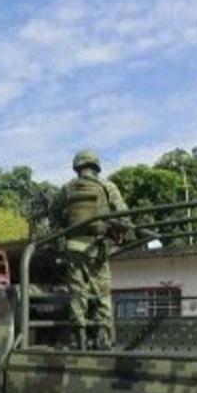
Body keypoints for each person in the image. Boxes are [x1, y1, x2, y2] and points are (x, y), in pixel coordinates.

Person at [54, 150, 130, 351]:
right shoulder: (107, 186)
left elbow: (55, 215)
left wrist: (64, 230)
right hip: (97, 248)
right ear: (96, 167)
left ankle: (78, 338)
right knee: (102, 293)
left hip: (73, 248)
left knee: (77, 293)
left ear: (77, 167)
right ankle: (103, 340)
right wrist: (119, 232)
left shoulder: (66, 189)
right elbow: (124, 216)